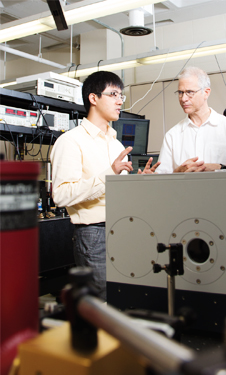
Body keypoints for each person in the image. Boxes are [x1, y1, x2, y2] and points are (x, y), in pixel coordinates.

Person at [50, 71, 159, 301]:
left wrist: (140, 182)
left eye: (121, 96)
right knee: (102, 305)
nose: (120, 101)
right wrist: (110, 173)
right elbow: (60, 195)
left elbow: (118, 191)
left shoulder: (116, 143)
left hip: (124, 228)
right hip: (94, 235)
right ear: (93, 98)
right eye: (113, 94)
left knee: (125, 301)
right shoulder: (70, 141)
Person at [156, 66, 226, 174]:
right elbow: (162, 178)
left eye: (190, 92)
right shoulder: (172, 136)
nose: (183, 98)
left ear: (206, 92)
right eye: (180, 92)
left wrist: (219, 167)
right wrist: (178, 172)